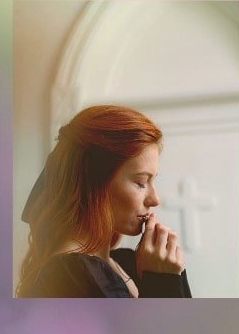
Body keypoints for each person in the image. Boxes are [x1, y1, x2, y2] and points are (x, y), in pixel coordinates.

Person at [16, 105, 192, 298]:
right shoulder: (70, 274)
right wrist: (162, 283)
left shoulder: (126, 263)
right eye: (141, 182)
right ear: (93, 181)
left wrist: (169, 274)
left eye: (152, 180)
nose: (155, 199)